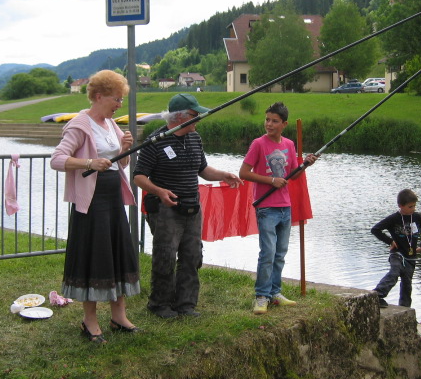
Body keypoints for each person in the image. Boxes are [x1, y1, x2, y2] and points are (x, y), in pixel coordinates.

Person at [50, 70, 141, 344]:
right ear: (99, 96)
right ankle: (89, 321)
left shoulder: (111, 124)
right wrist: (89, 163)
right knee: (94, 257)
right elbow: (57, 159)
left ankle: (118, 316)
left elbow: (120, 163)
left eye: (121, 99)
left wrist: (124, 149)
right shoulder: (80, 124)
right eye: (116, 99)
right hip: (91, 203)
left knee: (116, 253)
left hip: (113, 200)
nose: (119, 104)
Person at [133, 93, 243, 319]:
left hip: (192, 207)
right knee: (165, 256)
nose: (199, 118)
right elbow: (139, 177)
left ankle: (186, 305)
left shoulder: (195, 138)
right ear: (180, 117)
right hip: (165, 209)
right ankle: (159, 305)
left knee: (192, 256)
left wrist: (223, 175)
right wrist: (160, 191)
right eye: (195, 114)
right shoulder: (155, 141)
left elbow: (202, 169)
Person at [239, 102, 317, 315]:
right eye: (267, 120)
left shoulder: (289, 145)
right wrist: (271, 180)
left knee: (280, 253)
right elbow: (243, 173)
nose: (269, 124)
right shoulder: (258, 144)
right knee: (268, 253)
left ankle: (275, 293)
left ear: (284, 124)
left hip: (285, 207)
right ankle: (261, 296)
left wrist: (305, 164)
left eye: (274, 121)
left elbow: (293, 174)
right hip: (266, 207)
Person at [371, 188, 421, 308]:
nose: (413, 209)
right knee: (395, 272)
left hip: (411, 257)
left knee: (407, 284)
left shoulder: (418, 218)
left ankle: (405, 308)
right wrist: (390, 241)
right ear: (400, 206)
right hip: (397, 254)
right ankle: (377, 295)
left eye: (414, 206)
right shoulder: (394, 219)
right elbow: (375, 230)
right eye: (410, 206)